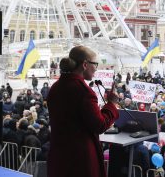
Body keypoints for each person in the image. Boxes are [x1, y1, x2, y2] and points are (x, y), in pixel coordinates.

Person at [47, 45, 119, 177]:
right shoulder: (84, 92)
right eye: (95, 64)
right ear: (85, 64)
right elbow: (100, 125)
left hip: (59, 156)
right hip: (80, 159)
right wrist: (112, 104)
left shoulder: (55, 87)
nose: (96, 68)